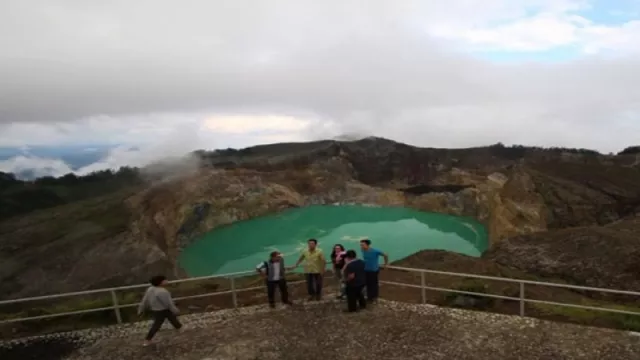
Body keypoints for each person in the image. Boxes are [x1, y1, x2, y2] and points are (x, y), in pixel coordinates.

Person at [138, 275, 182, 346]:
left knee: (171, 317)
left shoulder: (150, 289)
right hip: (162, 310)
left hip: (155, 309)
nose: (167, 281)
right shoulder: (163, 292)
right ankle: (147, 340)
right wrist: (176, 310)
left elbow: (145, 300)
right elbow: (168, 304)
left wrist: (141, 309)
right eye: (165, 280)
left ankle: (179, 327)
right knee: (157, 325)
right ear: (160, 282)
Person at [360, 239, 389, 303]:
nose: (361, 246)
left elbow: (385, 255)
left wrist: (386, 264)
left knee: (373, 284)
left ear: (368, 245)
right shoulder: (362, 250)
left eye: (362, 245)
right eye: (361, 245)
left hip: (373, 270)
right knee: (367, 284)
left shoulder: (375, 251)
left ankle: (374, 297)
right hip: (365, 269)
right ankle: (369, 297)